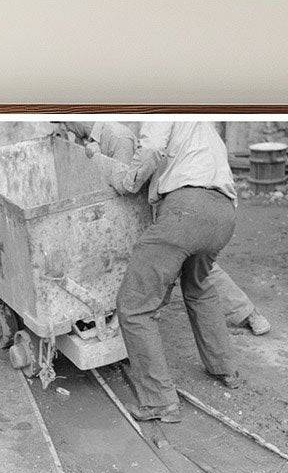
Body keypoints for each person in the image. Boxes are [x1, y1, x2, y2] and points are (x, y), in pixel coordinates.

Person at [55, 121, 270, 336]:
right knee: (190, 267)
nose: (65, 129)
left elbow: (126, 186)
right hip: (183, 203)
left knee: (185, 268)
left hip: (156, 210)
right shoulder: (91, 138)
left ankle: (247, 312)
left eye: (64, 123)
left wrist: (117, 180)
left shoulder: (118, 136)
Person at [110, 121, 241, 422]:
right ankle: (225, 367)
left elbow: (152, 149)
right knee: (199, 287)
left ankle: (158, 401)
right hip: (224, 214)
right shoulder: (204, 127)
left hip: (186, 208)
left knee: (134, 306)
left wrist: (128, 182)